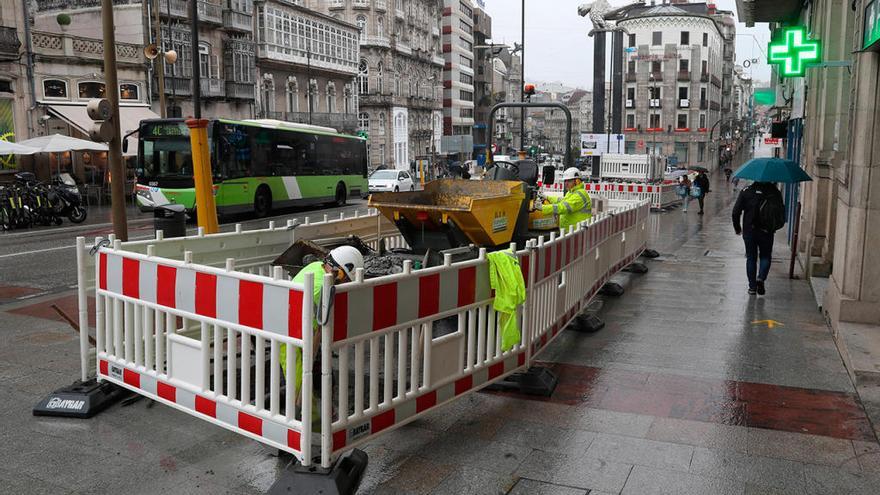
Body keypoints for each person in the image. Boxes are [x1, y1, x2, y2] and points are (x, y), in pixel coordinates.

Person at [280, 246, 364, 396]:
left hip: (293, 326)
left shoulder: (316, 267)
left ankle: (311, 406)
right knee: (299, 378)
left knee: (307, 372)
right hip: (294, 333)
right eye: (346, 279)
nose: (346, 284)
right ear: (338, 273)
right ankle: (309, 415)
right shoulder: (321, 289)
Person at [732, 181, 783, 295]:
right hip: (767, 231)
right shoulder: (774, 192)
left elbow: (736, 212)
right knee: (765, 256)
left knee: (751, 258)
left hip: (749, 230)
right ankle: (761, 278)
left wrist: (737, 228)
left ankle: (752, 287)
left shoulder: (746, 191)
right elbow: (780, 212)